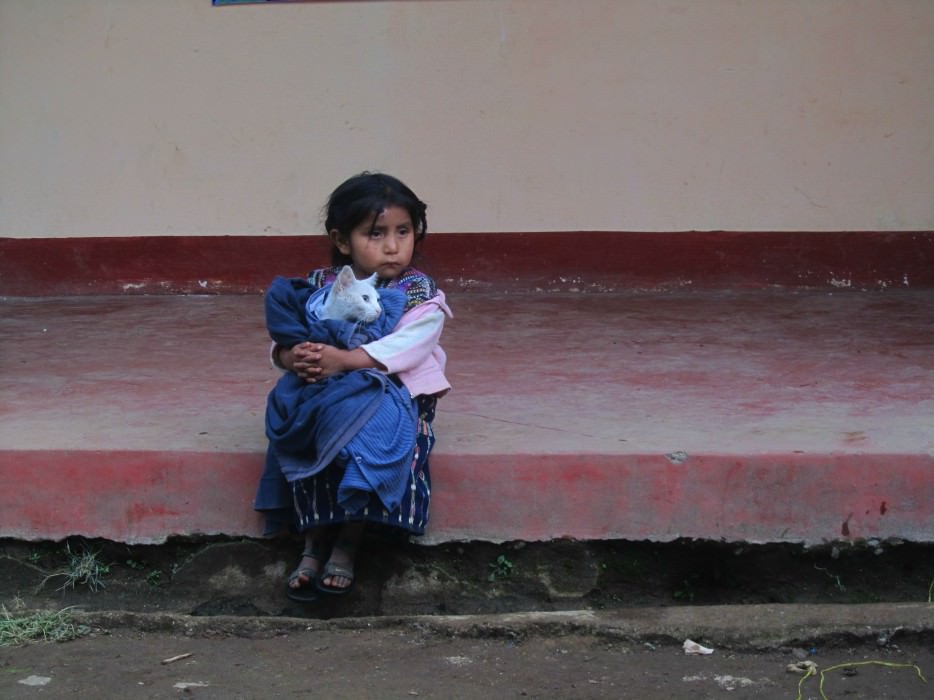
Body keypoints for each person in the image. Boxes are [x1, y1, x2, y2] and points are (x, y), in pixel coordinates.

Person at [254, 172, 452, 603]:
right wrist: (292, 357)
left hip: (394, 392)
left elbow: (409, 346)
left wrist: (344, 361)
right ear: (342, 241)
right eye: (375, 233)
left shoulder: (420, 294)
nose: (392, 245)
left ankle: (348, 539)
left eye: (404, 232)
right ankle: (312, 540)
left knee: (368, 437)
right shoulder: (320, 285)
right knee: (307, 426)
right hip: (327, 389)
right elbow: (287, 335)